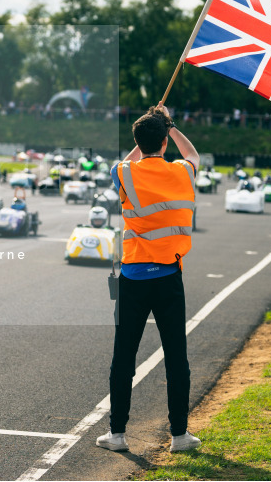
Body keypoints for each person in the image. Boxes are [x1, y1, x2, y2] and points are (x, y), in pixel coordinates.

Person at [96, 104, 202, 454]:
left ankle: (117, 434)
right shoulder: (183, 172)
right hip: (169, 277)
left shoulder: (124, 173)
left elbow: (124, 163)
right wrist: (168, 124)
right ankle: (180, 435)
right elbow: (193, 154)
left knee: (124, 356)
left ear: (138, 144)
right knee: (176, 357)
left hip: (134, 277)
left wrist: (150, 131)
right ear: (165, 143)